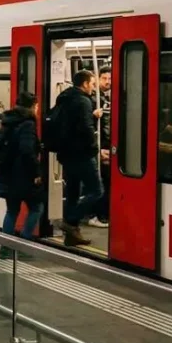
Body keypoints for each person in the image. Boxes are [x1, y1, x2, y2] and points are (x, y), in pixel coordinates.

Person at [53, 70, 103, 247]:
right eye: (92, 84)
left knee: (73, 193)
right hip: (82, 154)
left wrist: (91, 115)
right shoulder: (83, 101)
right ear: (85, 84)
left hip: (66, 153)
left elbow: (72, 124)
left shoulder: (65, 97)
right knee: (96, 191)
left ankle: (72, 235)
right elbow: (85, 128)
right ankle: (70, 220)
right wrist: (95, 149)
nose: (93, 87)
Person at [0, 92, 44, 257]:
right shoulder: (28, 124)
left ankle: (5, 249)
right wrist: (36, 172)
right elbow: (27, 150)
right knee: (37, 207)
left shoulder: (8, 121)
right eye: (36, 106)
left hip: (7, 172)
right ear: (32, 106)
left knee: (12, 210)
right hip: (23, 175)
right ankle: (24, 244)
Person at [89, 67, 113, 228]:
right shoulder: (93, 99)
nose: (107, 82)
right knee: (101, 182)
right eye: (104, 78)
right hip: (99, 145)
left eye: (110, 78)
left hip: (108, 144)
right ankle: (99, 214)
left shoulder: (112, 96)